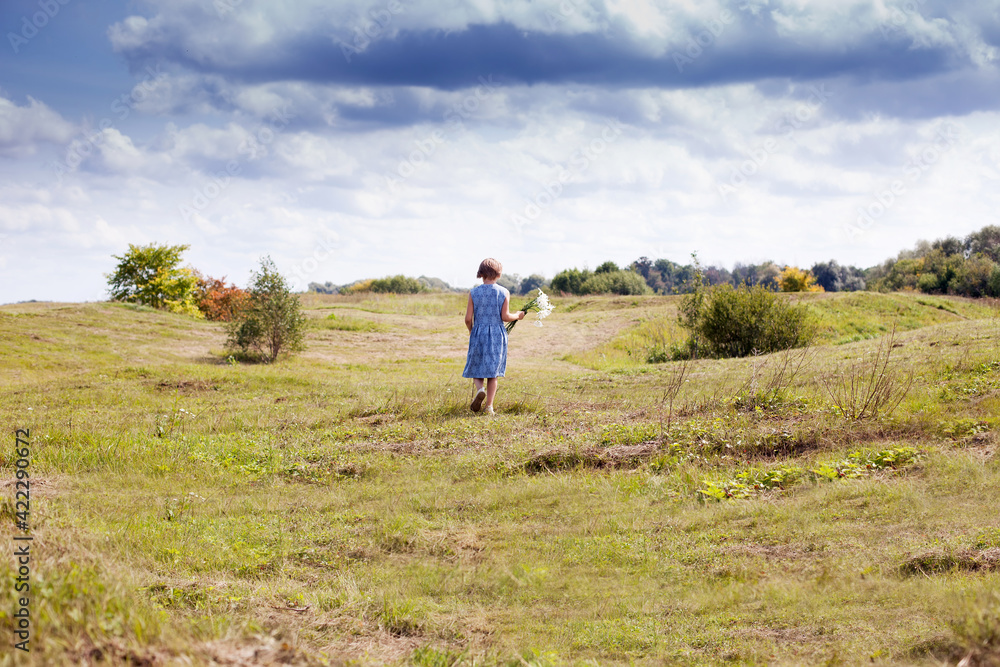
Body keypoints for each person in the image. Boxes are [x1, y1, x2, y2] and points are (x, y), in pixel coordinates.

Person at [462, 258, 525, 414]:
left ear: (481, 273)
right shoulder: (503, 292)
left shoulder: (474, 292)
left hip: (478, 333)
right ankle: (489, 407)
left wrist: (472, 331)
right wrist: (517, 315)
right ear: (498, 273)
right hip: (497, 335)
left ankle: (479, 389)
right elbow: (505, 316)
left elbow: (468, 318)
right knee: (493, 372)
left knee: (476, 367)